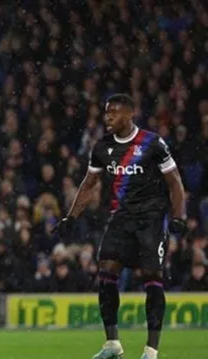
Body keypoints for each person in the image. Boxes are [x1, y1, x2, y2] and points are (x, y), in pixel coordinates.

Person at [54, 94, 187, 359]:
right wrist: (72, 216)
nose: (108, 118)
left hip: (150, 219)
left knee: (151, 276)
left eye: (113, 112)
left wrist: (178, 216)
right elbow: (89, 184)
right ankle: (113, 344)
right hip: (120, 219)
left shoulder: (152, 143)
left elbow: (174, 181)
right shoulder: (102, 147)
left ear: (129, 114)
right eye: (106, 113)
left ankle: (151, 350)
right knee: (105, 272)